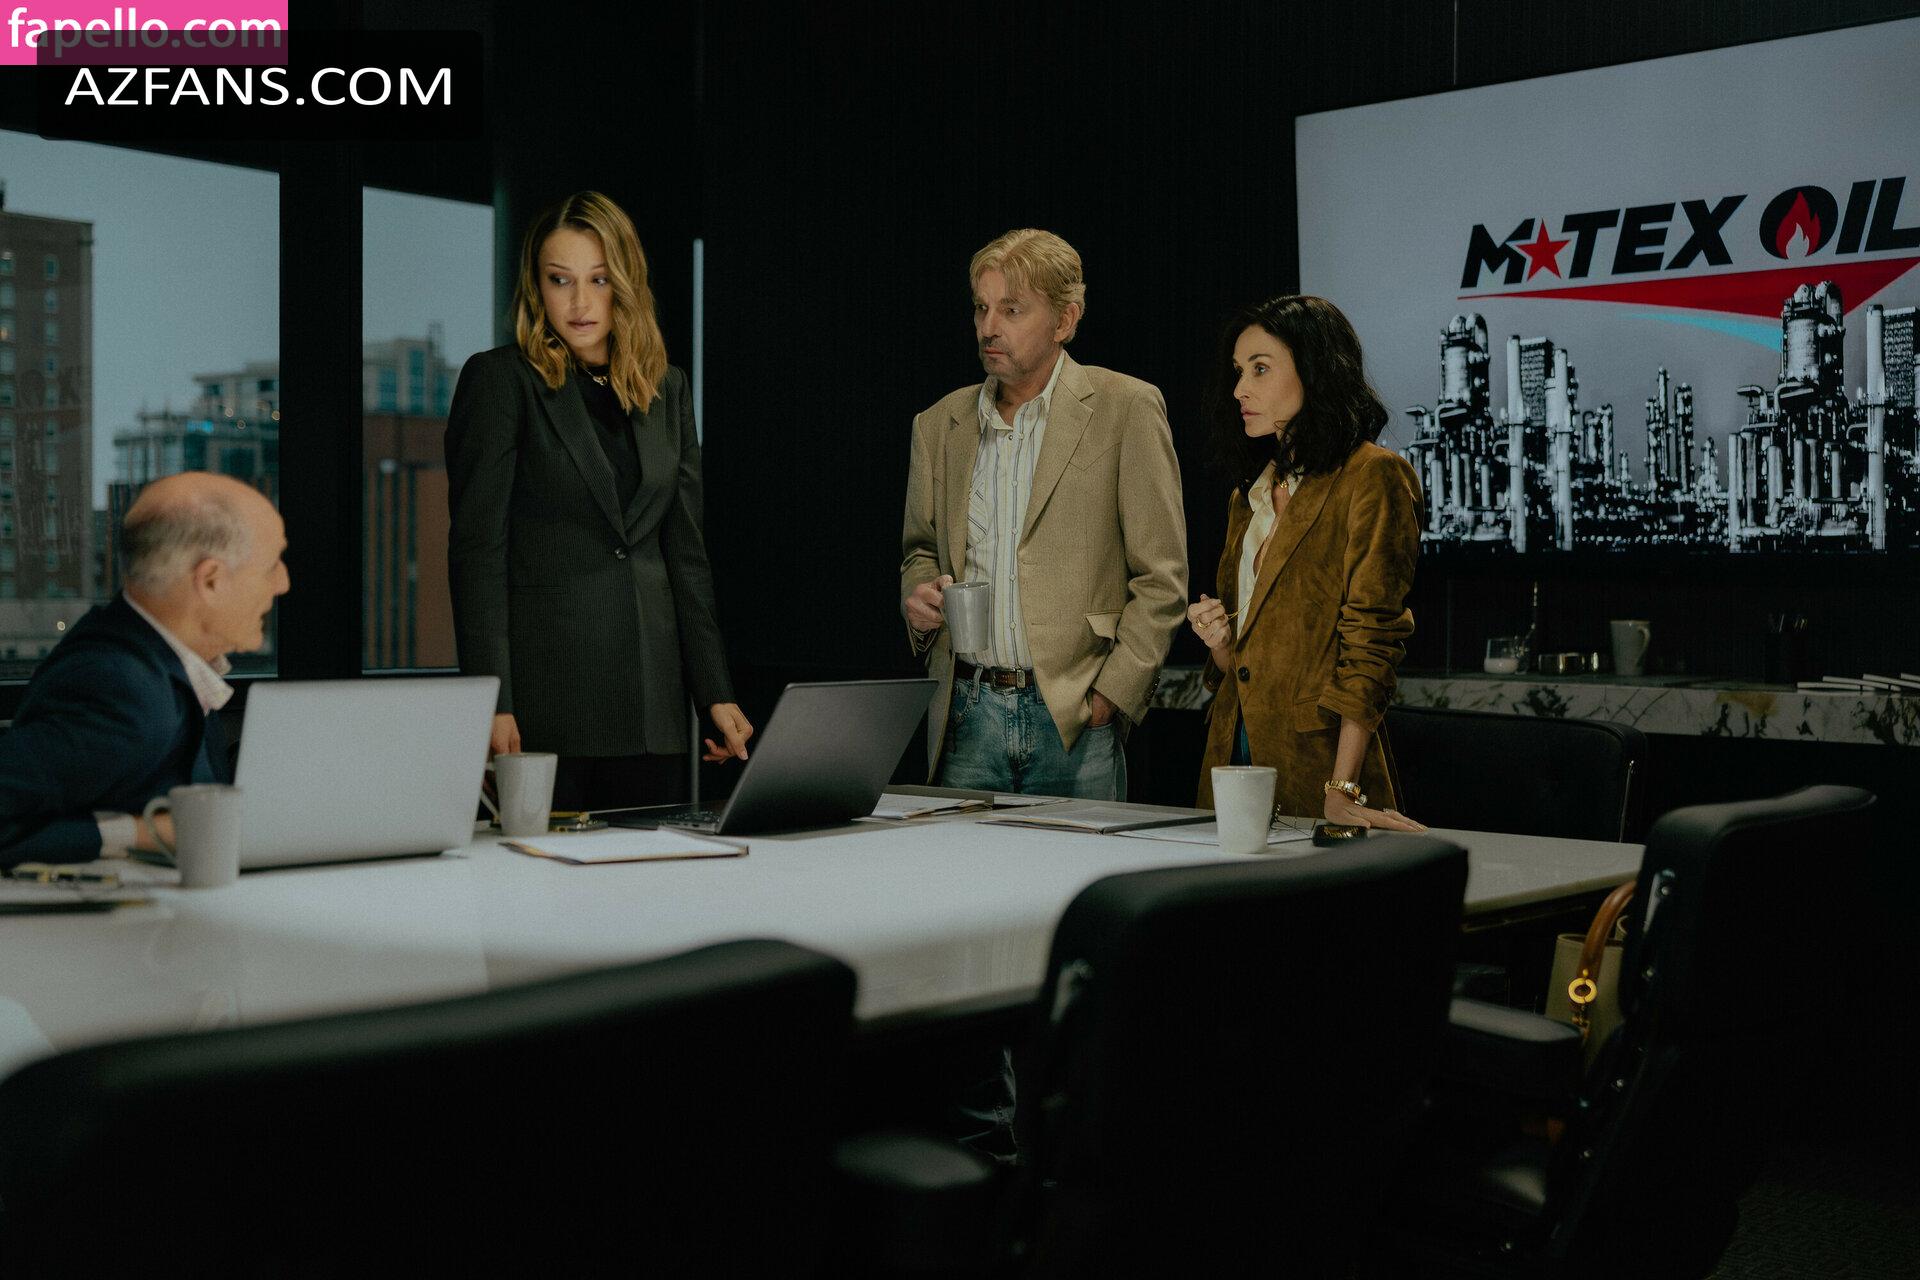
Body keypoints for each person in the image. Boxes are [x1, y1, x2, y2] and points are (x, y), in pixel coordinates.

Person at [446, 191, 750, 812]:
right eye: (560, 280)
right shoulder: (501, 380)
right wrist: (491, 700)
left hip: (653, 704)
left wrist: (714, 691)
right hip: (547, 704)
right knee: (544, 873)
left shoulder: (666, 389)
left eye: (599, 279)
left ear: (625, 284)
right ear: (537, 287)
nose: (580, 302)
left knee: (654, 870)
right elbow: (478, 554)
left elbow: (686, 556)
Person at [900, 229, 1187, 799]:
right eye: (981, 308)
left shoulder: (1126, 407)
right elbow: (920, 551)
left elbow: (1162, 578)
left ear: (1065, 320)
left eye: (1012, 310)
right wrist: (919, 596)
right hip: (966, 713)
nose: (988, 327)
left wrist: (1110, 697)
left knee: (1080, 861)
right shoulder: (938, 424)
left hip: (1074, 717)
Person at [1186, 295, 1426, 831]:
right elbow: (1244, 664)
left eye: (1260, 369)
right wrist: (1221, 642)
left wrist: (1342, 790)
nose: (1239, 389)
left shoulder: (1372, 475)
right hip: (1231, 757)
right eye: (1239, 371)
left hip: (1319, 762)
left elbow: (1370, 645)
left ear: (1314, 371)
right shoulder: (1248, 495)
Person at [0, 472, 289, 866]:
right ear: (210, 581)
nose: (283, 583)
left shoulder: (163, 661)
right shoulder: (120, 687)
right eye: (271, 565)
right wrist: (139, 833)